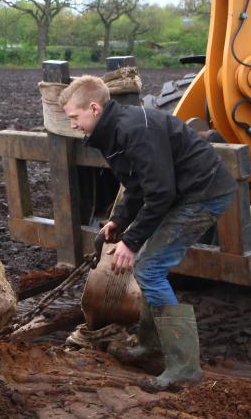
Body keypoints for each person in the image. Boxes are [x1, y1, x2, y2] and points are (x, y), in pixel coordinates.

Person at [58, 75, 236, 392]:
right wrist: (120, 221)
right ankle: (150, 346)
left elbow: (161, 193)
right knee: (148, 267)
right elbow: (137, 184)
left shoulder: (133, 130)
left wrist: (131, 241)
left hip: (204, 193)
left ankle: (183, 368)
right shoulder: (114, 131)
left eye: (74, 117)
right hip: (184, 192)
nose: (72, 124)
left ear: (94, 107)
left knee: (149, 268)